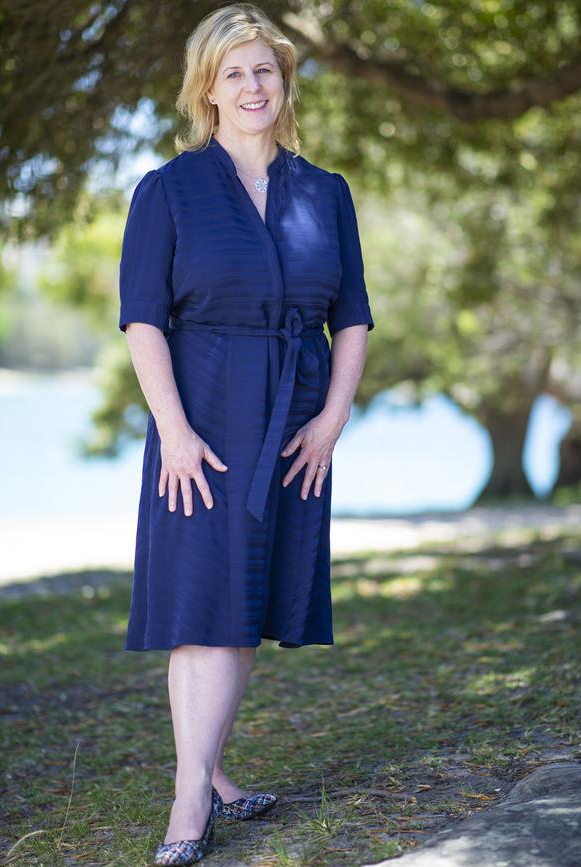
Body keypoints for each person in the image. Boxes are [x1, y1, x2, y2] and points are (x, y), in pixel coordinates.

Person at [118, 3, 374, 863]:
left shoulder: (325, 193)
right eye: (234, 72)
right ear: (208, 90)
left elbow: (355, 320)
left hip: (297, 420)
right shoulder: (167, 190)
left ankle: (214, 771)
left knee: (246, 600)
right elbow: (143, 320)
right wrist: (175, 433)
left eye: (265, 69)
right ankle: (192, 800)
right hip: (202, 418)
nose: (253, 85)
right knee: (205, 611)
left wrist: (333, 419)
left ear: (285, 81)